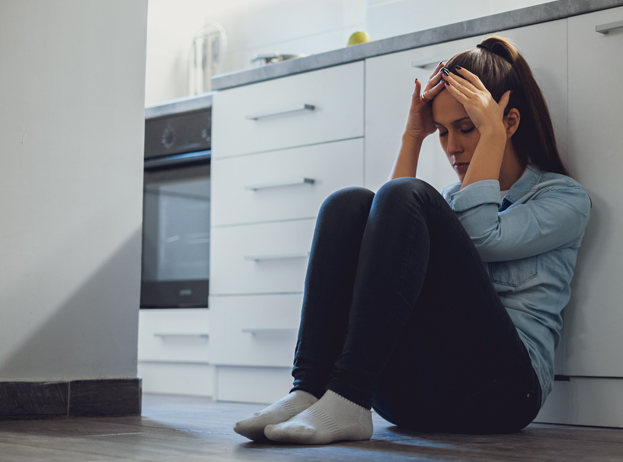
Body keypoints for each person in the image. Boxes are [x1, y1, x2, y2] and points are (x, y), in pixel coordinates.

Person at [233, 36, 592, 445]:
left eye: (467, 128)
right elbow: (380, 228)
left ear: (509, 123)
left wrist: (492, 136)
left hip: (502, 395)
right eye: (441, 132)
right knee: (349, 205)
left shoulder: (563, 199)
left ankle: (348, 395)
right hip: (413, 398)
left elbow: (481, 237)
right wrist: (413, 137)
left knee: (407, 196)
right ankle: (312, 389)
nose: (452, 147)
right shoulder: (450, 203)